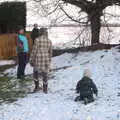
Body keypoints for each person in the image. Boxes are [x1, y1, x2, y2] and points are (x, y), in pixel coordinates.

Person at [30, 28, 52, 94]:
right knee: (45, 74)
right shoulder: (49, 41)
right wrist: (49, 60)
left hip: (38, 59)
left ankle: (36, 87)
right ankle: (45, 89)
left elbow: (34, 51)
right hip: (46, 60)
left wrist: (31, 60)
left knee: (35, 73)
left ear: (39, 33)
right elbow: (50, 52)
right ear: (45, 33)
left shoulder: (37, 40)